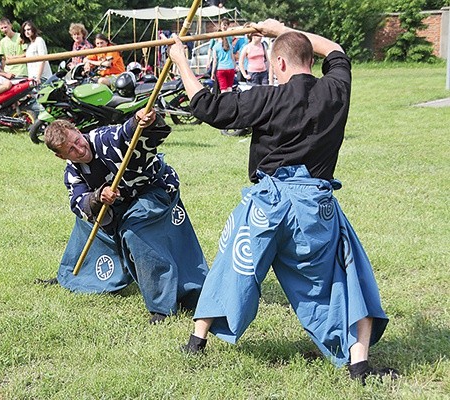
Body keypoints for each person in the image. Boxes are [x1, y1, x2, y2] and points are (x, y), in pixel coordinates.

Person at [169, 19, 398, 384]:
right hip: (315, 207)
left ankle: (196, 342)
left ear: (277, 64)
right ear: (309, 58)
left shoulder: (267, 97)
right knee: (344, 274)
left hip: (267, 203)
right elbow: (335, 48)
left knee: (233, 262)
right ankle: (359, 363)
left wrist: (180, 59)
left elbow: (204, 105)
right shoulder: (337, 88)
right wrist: (280, 30)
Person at [44, 109, 209, 324]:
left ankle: (162, 306)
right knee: (87, 223)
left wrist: (140, 121)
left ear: (77, 130)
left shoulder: (104, 139)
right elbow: (78, 201)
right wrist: (97, 197)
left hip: (154, 190)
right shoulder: (72, 171)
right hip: (121, 202)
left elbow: (127, 134)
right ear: (61, 156)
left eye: (77, 140)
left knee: (134, 232)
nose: (79, 149)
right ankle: (76, 276)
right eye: (71, 150)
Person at [20, 20, 52, 85]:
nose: (27, 32)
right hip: (33, 78)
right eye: (25, 30)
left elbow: (42, 59)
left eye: (28, 29)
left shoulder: (39, 40)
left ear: (33, 29)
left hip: (43, 77)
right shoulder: (29, 45)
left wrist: (38, 77)